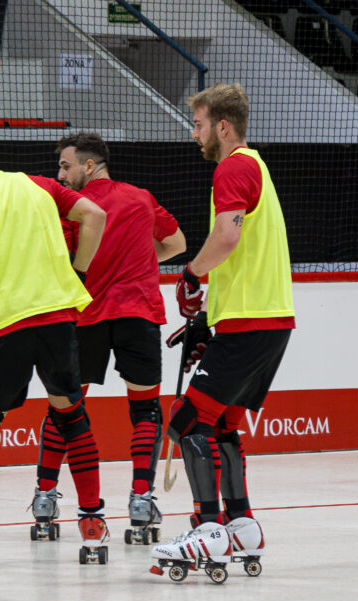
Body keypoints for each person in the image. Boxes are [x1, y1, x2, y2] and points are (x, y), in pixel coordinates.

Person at [0, 126, 111, 562]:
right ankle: (92, 520)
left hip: (6, 324)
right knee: (72, 416)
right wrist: (80, 273)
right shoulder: (39, 185)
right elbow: (95, 216)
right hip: (57, 317)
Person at [151, 83, 293, 569]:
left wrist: (191, 273)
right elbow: (246, 254)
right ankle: (243, 526)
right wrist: (210, 320)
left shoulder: (232, 167)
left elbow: (227, 236)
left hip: (251, 321)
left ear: (222, 126)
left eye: (198, 124)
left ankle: (208, 529)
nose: (194, 134)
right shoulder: (258, 167)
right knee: (224, 424)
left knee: (188, 421)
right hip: (267, 320)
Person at [54, 132, 187, 544]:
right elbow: (177, 244)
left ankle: (45, 497)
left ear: (88, 166)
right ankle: (141, 498)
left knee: (67, 409)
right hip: (138, 312)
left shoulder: (74, 208)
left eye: (65, 166)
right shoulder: (141, 197)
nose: (60, 173)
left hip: (88, 315)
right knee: (145, 411)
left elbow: (66, 260)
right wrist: (143, 259)